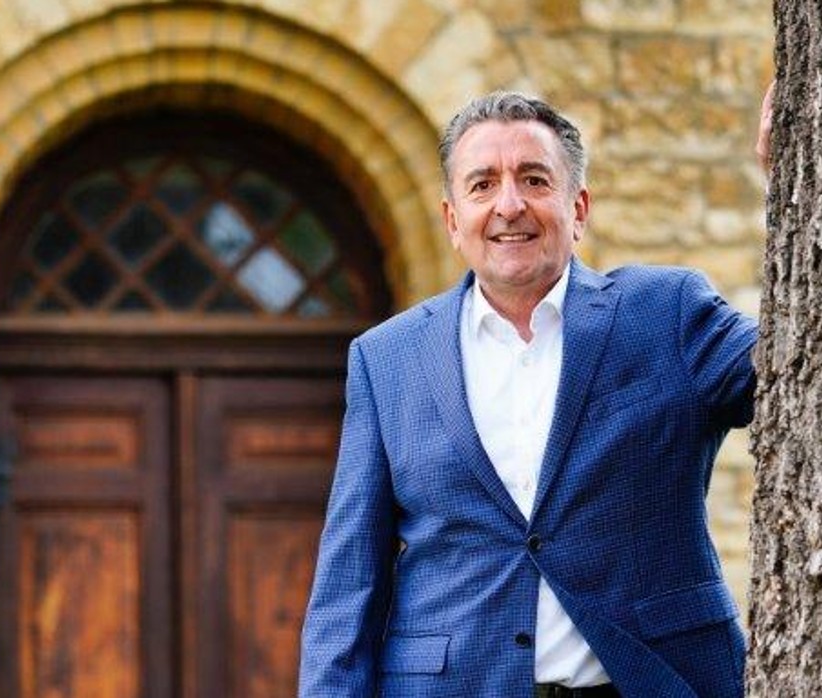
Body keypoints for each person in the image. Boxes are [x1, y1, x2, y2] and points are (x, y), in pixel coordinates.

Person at [299, 91, 760, 698]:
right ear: (452, 220)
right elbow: (348, 581)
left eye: (534, 180)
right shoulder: (387, 358)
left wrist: (793, 181)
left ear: (578, 207)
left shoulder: (665, 313)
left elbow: (797, 362)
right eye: (483, 185)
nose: (509, 205)